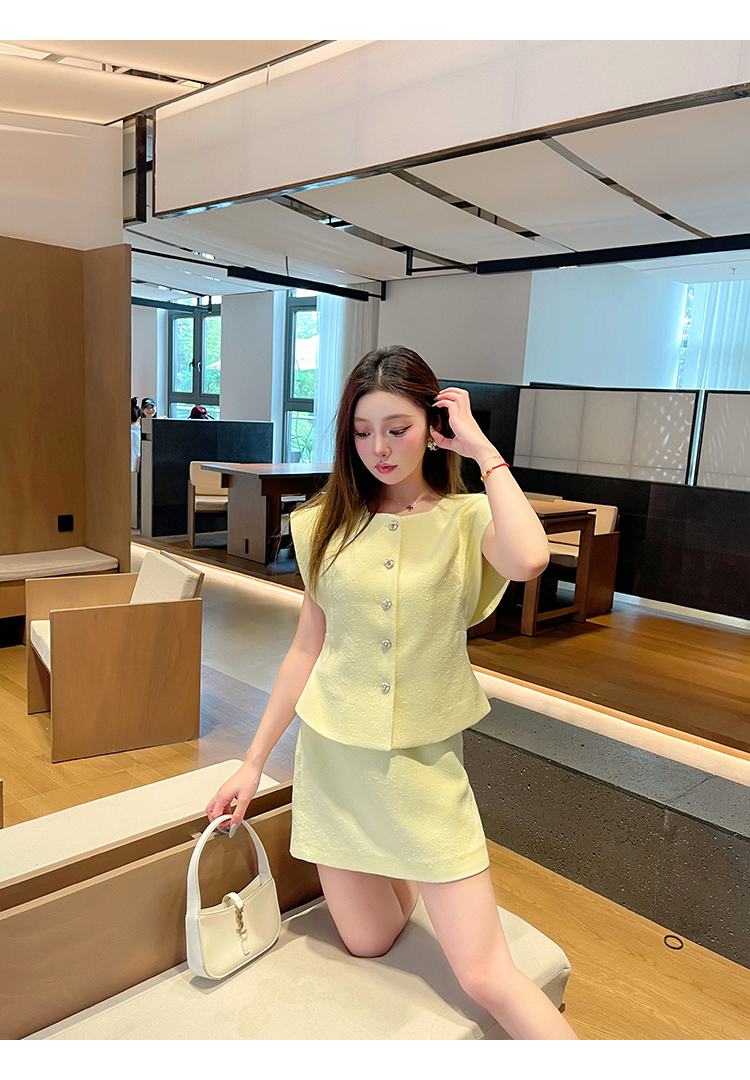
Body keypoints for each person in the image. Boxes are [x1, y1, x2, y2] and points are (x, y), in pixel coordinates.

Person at [206, 346, 577, 1040]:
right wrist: (253, 763)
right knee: (368, 940)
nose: (379, 448)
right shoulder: (322, 522)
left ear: (433, 427)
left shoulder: (467, 519)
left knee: (485, 977)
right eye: (363, 431)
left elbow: (530, 558)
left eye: (398, 429)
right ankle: (401, 872)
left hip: (422, 769)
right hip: (335, 763)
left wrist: (483, 451)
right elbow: (307, 648)